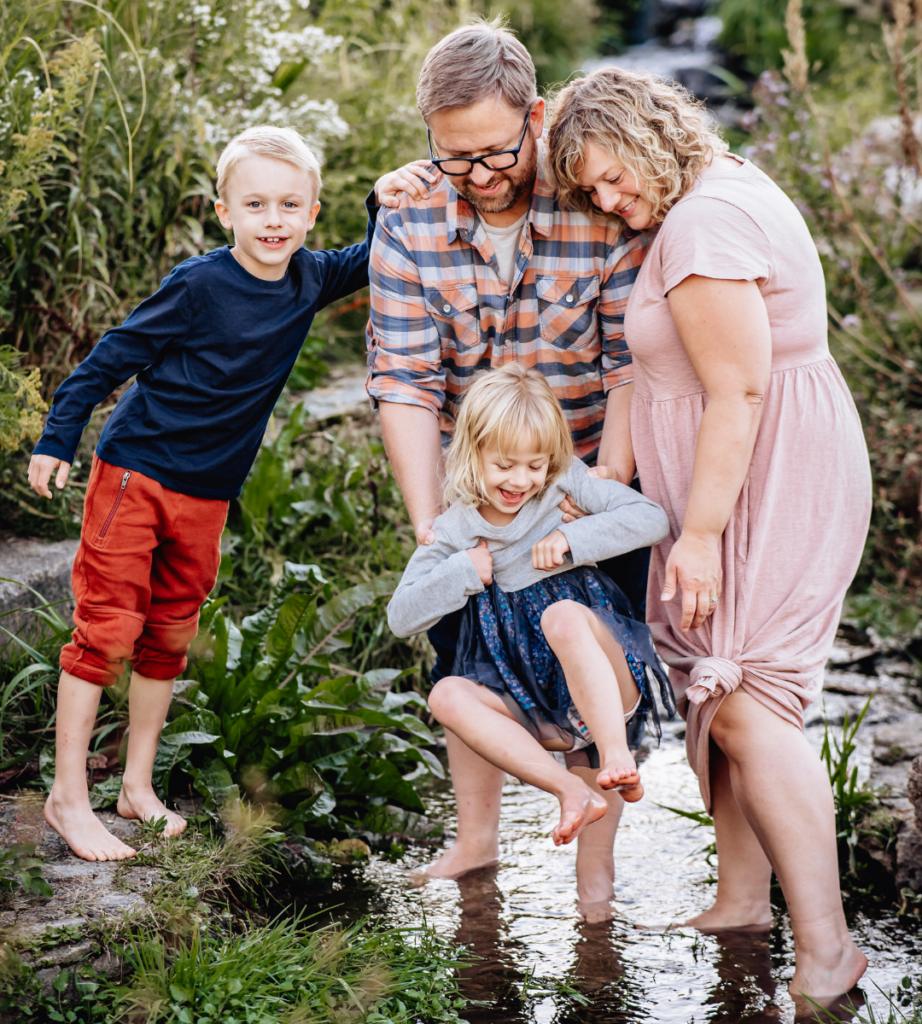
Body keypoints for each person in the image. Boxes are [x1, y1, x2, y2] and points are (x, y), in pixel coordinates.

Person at [546, 68, 871, 1007]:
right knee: (719, 692)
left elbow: (737, 391)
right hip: (745, 475)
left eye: (608, 180)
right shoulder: (705, 187)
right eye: (589, 194)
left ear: (644, 134)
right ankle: (741, 902)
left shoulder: (702, 224)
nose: (607, 203)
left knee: (746, 700)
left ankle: (830, 949)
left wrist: (698, 536)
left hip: (764, 479)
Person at [27, 125, 432, 863]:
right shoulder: (199, 284)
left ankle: (136, 788)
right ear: (224, 212)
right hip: (136, 474)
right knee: (107, 631)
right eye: (255, 204)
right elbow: (112, 356)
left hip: (207, 494)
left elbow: (363, 259)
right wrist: (58, 437)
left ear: (312, 213)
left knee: (171, 633)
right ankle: (67, 797)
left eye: (288, 205)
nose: (272, 220)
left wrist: (381, 199)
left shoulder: (309, 277)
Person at [368, 19, 656, 882]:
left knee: (589, 688)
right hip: (478, 492)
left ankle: (595, 899)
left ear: (535, 118)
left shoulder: (592, 202)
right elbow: (406, 379)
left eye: (495, 153)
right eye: (455, 159)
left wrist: (608, 484)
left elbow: (629, 362)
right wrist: (432, 525)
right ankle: (475, 844)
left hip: (581, 479)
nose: (480, 177)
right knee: (466, 671)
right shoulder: (411, 215)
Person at [388, 364, 673, 914]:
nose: (521, 480)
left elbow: (651, 519)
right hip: (528, 698)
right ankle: (566, 790)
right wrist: (463, 571)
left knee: (563, 617)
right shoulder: (456, 530)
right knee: (446, 693)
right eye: (504, 465)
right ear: (472, 452)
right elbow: (402, 615)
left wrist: (572, 535)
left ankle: (615, 768)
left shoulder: (566, 484)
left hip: (600, 684)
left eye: (534, 465)